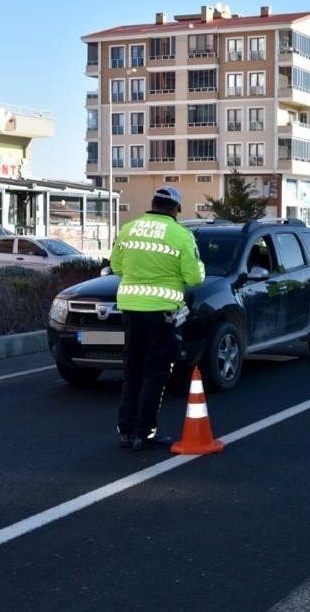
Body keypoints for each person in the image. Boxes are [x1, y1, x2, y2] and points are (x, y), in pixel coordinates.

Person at [111, 185, 205, 450]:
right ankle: (145, 433)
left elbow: (116, 266)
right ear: (175, 209)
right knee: (155, 373)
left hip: (130, 309)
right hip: (162, 313)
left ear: (152, 204)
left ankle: (126, 432)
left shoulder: (128, 229)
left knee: (132, 371)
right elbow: (194, 278)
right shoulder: (181, 235)